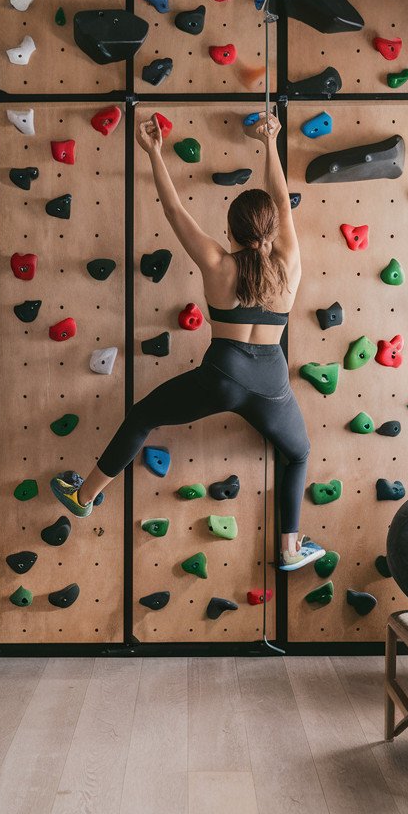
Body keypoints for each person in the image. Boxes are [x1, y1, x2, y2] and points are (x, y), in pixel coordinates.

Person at [51, 110, 324, 571]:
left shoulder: (219, 263)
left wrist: (156, 153)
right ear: (273, 229)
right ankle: (290, 549)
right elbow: (281, 198)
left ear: (232, 231)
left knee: (141, 417)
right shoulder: (290, 263)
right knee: (298, 454)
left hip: (221, 376)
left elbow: (175, 210)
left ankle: (84, 495)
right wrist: (269, 141)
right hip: (270, 380)